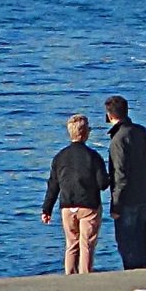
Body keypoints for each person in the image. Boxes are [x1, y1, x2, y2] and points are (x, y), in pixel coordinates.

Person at [42, 113, 107, 273]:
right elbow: (103, 184)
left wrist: (46, 209)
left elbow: (53, 185)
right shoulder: (93, 157)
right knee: (86, 245)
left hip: (67, 206)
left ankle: (69, 277)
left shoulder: (60, 157)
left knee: (71, 245)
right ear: (86, 133)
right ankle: (85, 279)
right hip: (88, 206)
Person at [101, 93, 146, 271]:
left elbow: (120, 175)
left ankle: (134, 278)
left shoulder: (118, 140)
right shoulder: (141, 132)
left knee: (128, 244)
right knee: (143, 240)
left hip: (127, 199)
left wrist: (115, 204)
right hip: (145, 195)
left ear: (109, 115)